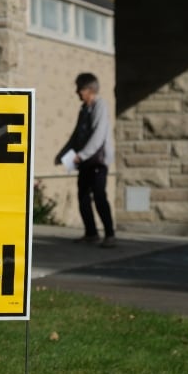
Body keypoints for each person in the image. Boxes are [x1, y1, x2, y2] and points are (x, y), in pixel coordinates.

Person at [54, 72, 116, 248]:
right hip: (84, 161)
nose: (77, 93)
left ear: (89, 90)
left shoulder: (100, 106)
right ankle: (91, 233)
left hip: (97, 161)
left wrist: (82, 154)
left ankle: (110, 234)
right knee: (82, 196)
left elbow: (98, 134)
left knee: (99, 196)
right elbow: (76, 135)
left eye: (79, 89)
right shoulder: (84, 109)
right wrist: (63, 154)